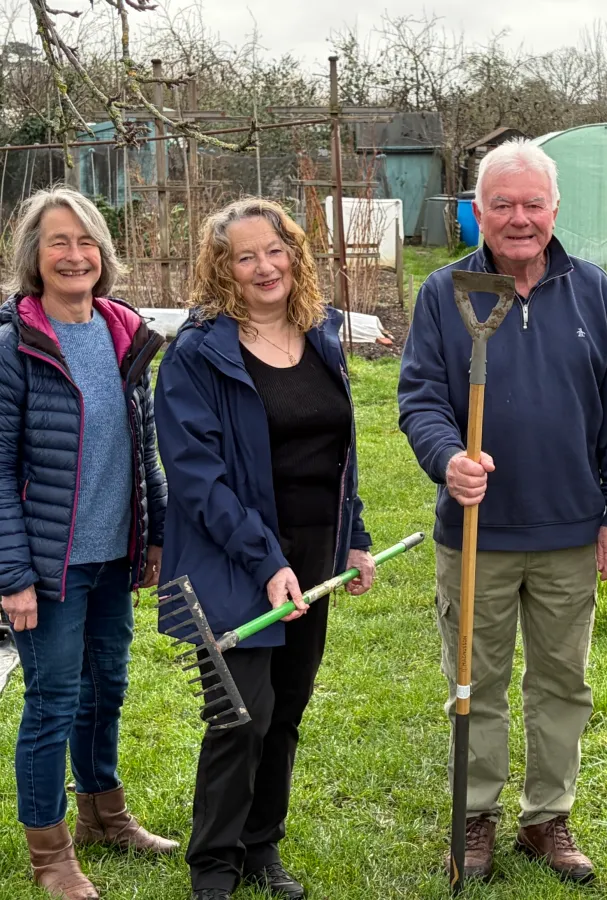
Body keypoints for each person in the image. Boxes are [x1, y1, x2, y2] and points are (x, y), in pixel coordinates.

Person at [398, 138, 607, 883]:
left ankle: (548, 819)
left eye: (532, 204)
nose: (518, 218)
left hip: (570, 530)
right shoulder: (446, 294)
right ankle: (474, 818)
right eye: (501, 204)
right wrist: (448, 459)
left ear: (555, 210)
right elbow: (418, 399)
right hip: (478, 532)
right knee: (476, 682)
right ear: (477, 210)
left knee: (562, 683)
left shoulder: (595, 293)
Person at [154, 198, 376, 900]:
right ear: (222, 266)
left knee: (285, 710)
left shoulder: (321, 340)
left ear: (294, 254)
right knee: (238, 716)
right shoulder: (198, 354)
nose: (263, 266)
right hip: (232, 555)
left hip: (311, 552)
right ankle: (213, 866)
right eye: (244, 256)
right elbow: (198, 477)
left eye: (274, 250)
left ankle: (260, 847)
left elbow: (341, 455)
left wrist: (355, 540)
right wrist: (264, 560)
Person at [0, 186, 176, 900]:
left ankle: (105, 814)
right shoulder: (14, 345)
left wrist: (156, 534)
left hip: (114, 553)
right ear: (32, 258)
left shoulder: (122, 331)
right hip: (49, 564)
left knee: (108, 688)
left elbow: (144, 446)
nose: (75, 255)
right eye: (57, 243)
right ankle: (51, 857)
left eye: (86, 242)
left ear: (103, 254)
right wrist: (12, 575)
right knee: (52, 700)